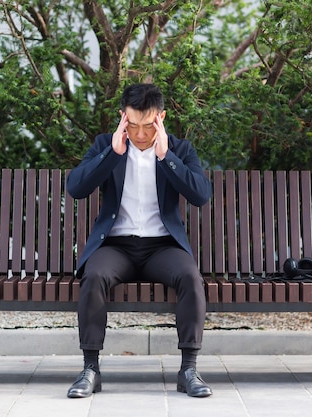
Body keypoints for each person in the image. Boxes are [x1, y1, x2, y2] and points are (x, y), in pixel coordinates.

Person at [65, 83, 213, 398]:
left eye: (148, 126)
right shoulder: (107, 145)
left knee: (190, 276)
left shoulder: (179, 149)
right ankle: (90, 368)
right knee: (94, 275)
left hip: (162, 247)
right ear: (123, 118)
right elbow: (76, 188)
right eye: (133, 125)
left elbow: (201, 194)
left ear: (161, 118)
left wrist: (166, 157)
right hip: (116, 247)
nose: (141, 134)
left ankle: (188, 370)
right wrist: (112, 154)